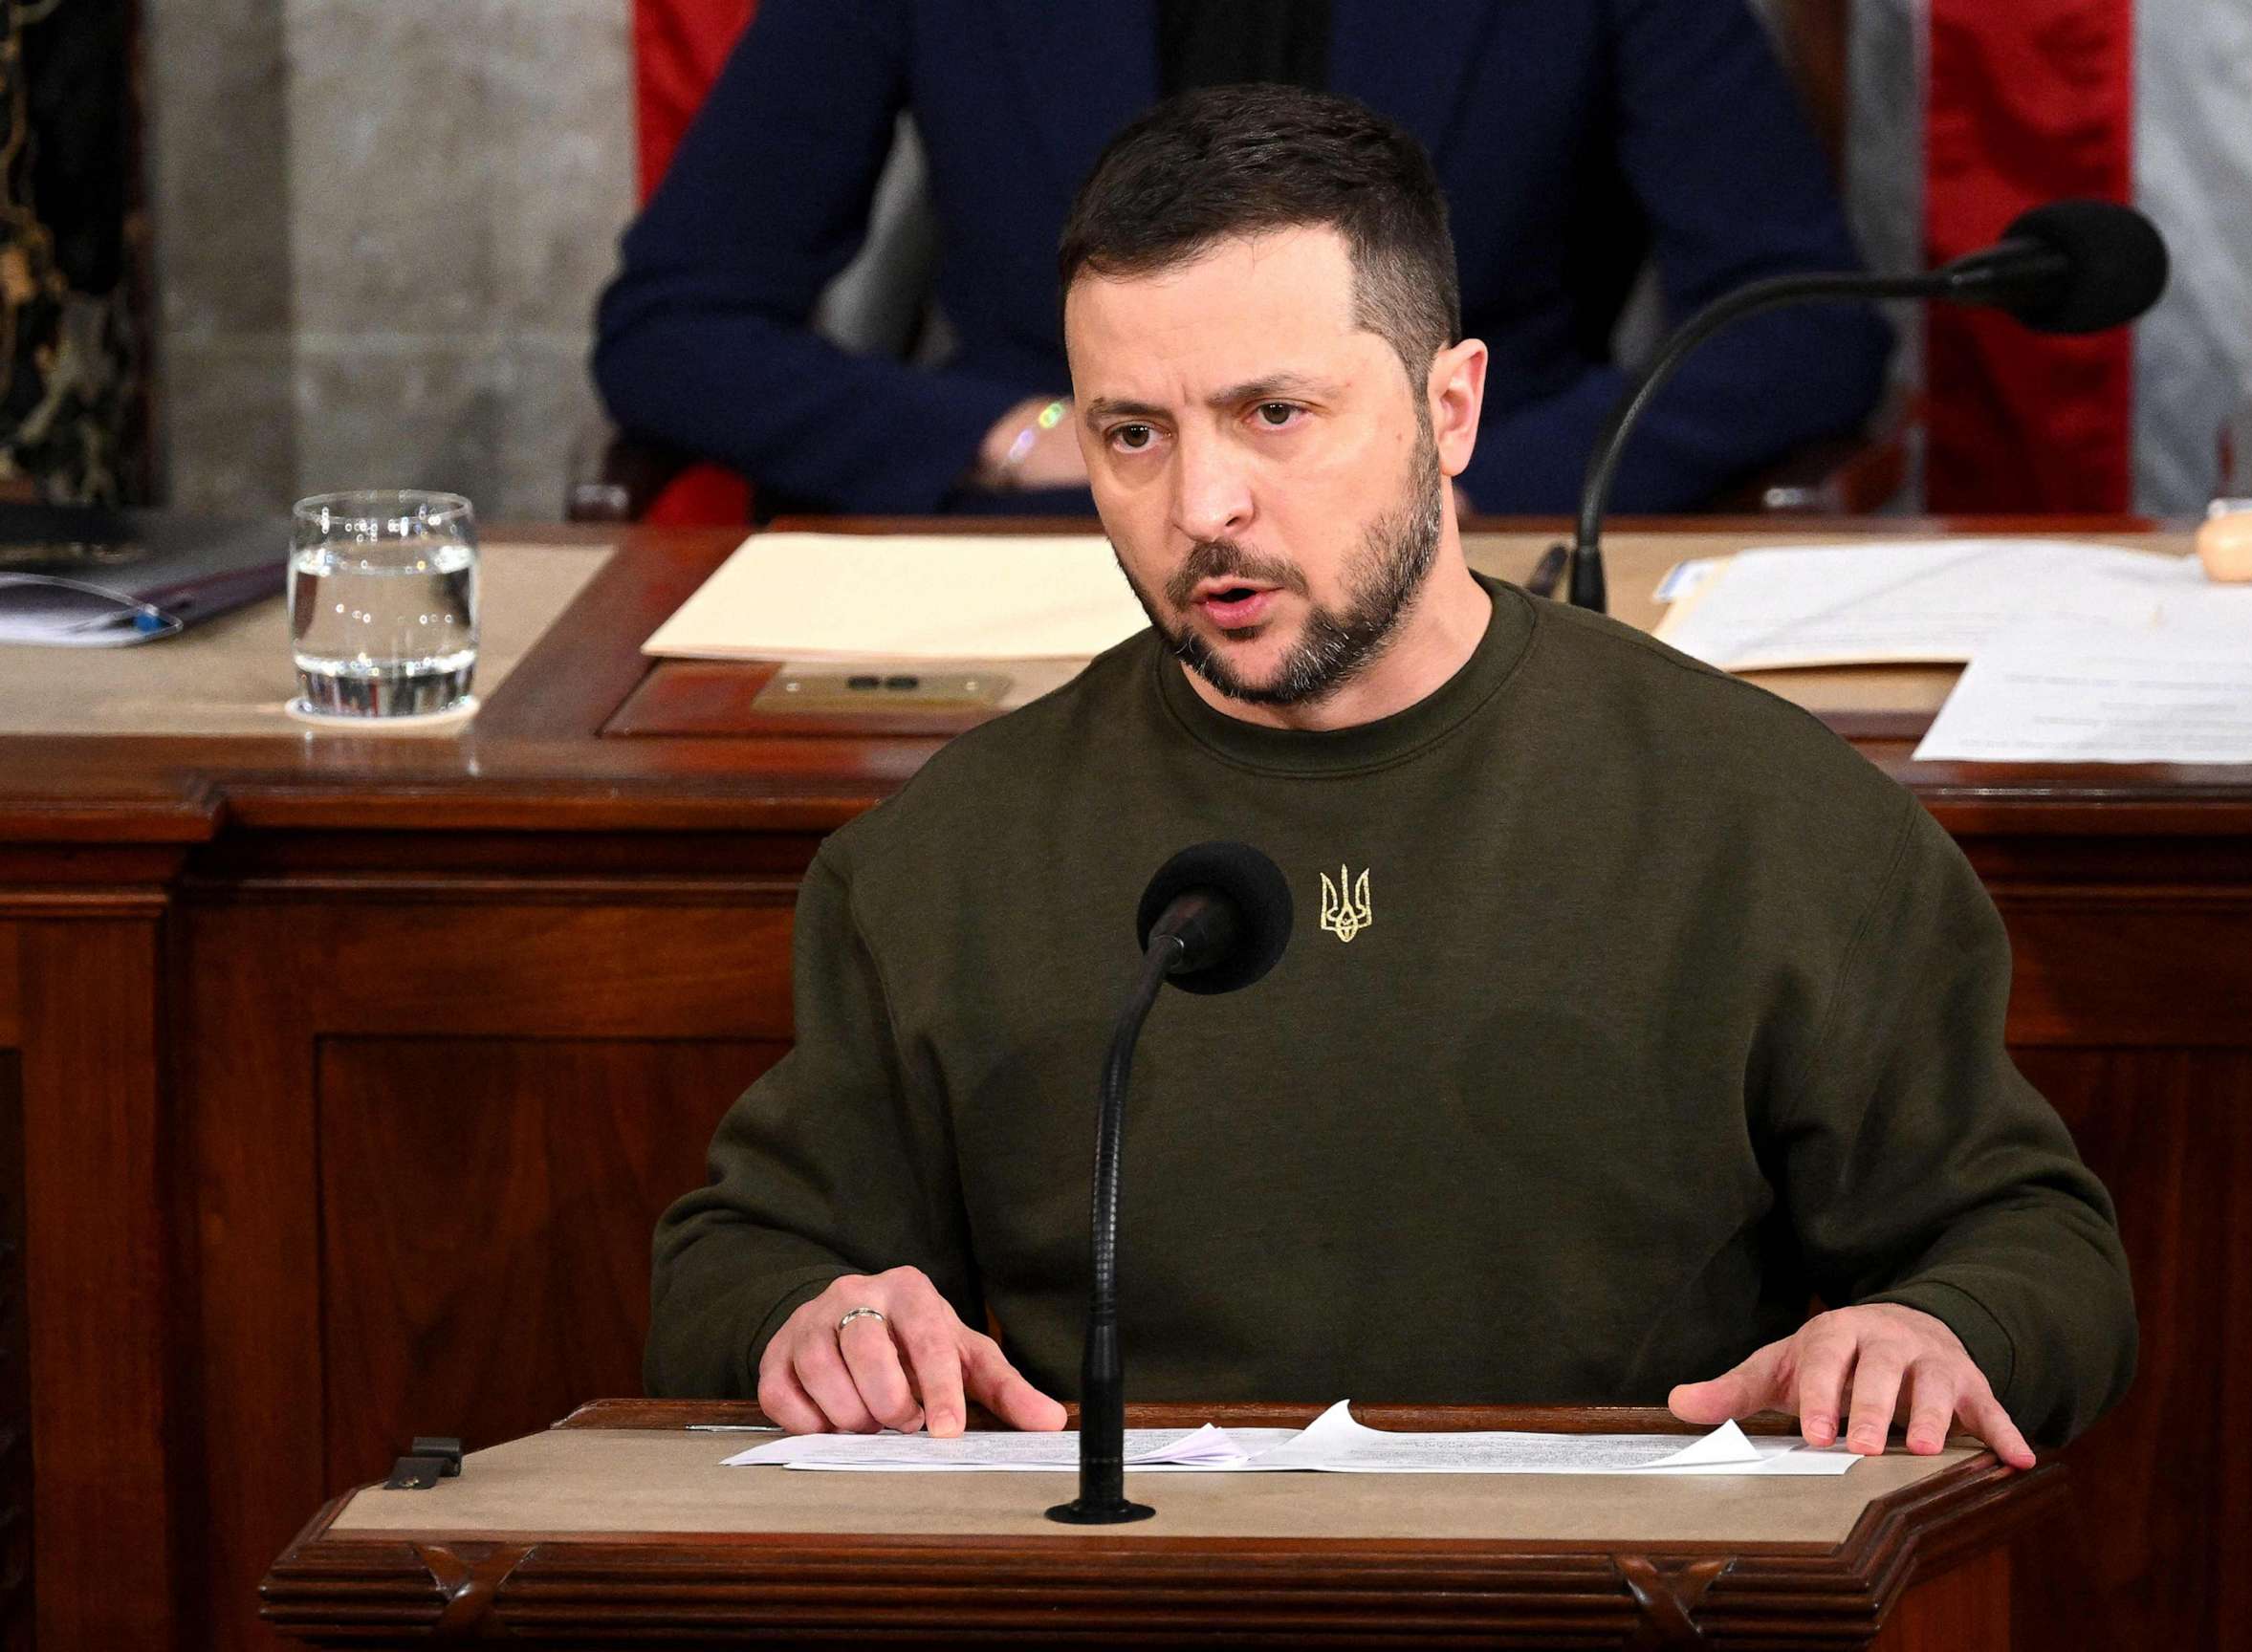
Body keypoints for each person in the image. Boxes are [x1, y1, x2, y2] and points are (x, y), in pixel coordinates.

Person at [647, 86, 2135, 1467]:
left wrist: (1932, 1329)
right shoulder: (942, 860)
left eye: (1274, 415)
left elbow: (2034, 1247)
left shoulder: (1772, 820)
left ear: (1451, 408)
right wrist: (821, 1320)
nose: (1203, 507)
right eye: (1131, 435)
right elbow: (740, 1259)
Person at [593, 0, 1890, 518]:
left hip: (1469, 552)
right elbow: (676, 326)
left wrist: (1474, 474)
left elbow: (1800, 329)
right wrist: (1021, 428)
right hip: (1063, 559)